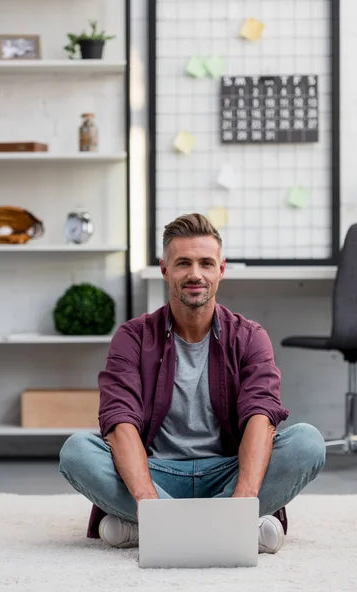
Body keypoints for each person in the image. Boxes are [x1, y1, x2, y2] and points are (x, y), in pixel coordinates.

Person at [59, 213, 326, 554]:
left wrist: (243, 499)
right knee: (77, 451)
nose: (195, 274)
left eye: (205, 263)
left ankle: (148, 530)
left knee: (307, 442)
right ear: (165, 270)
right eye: (183, 263)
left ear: (221, 270)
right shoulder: (132, 337)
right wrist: (148, 502)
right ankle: (228, 530)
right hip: (155, 471)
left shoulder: (250, 336)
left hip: (227, 469)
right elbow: (119, 421)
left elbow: (261, 417)